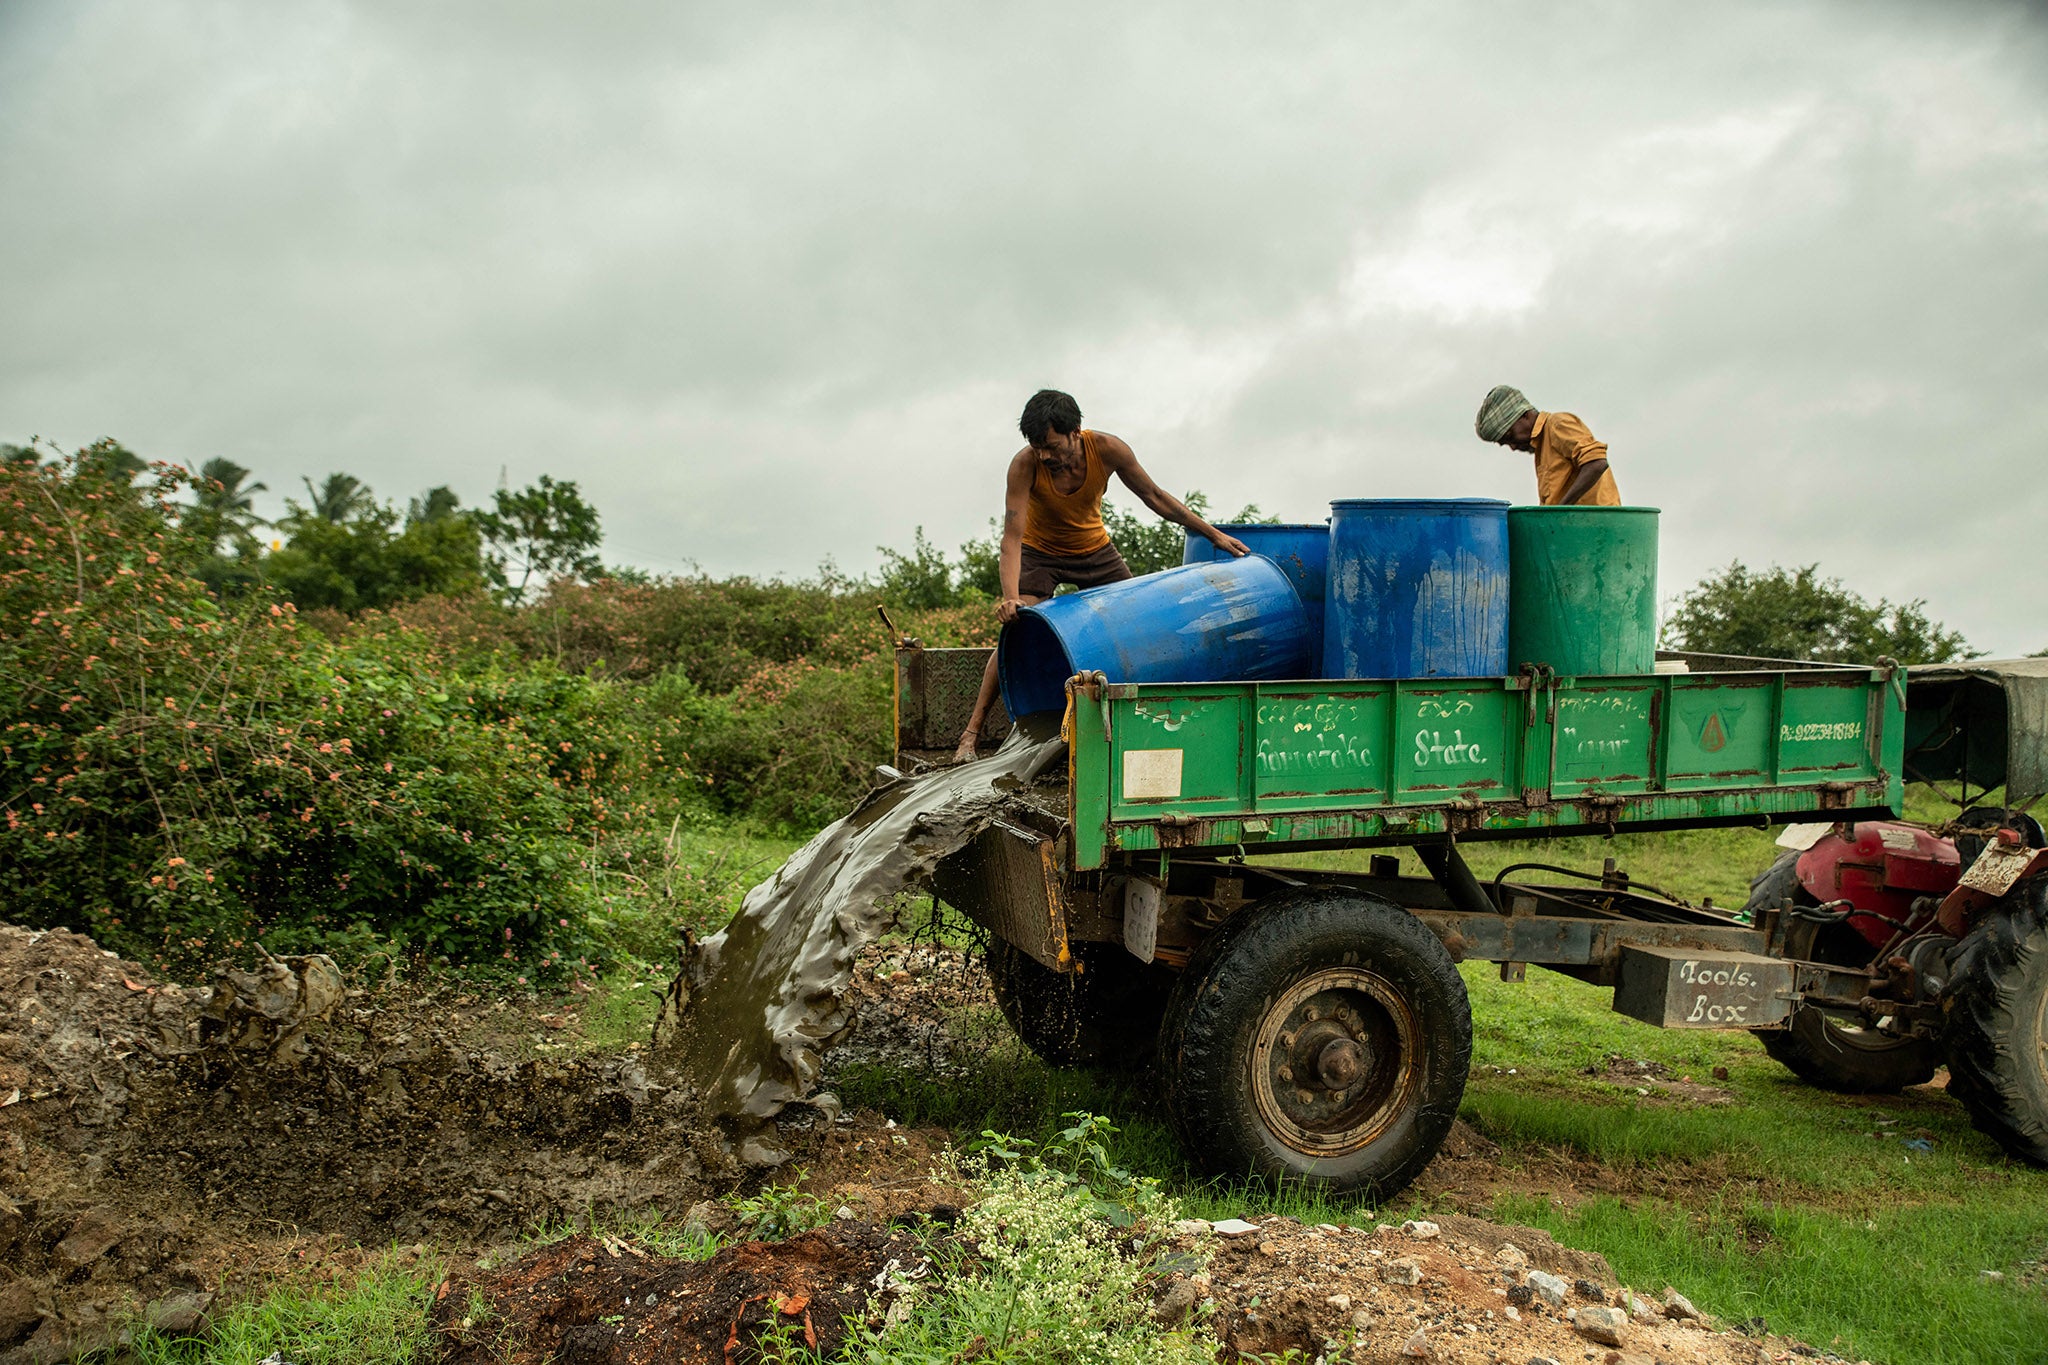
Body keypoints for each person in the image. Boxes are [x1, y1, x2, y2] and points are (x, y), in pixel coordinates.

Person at [952, 389, 1250, 762]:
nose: (1045, 455)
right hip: (1039, 555)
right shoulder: (1024, 466)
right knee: (1016, 631)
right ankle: (969, 736)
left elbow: (1155, 496)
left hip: (1094, 551)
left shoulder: (1108, 450)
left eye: (1051, 445)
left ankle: (1133, 727)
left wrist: (1213, 534)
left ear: (1076, 430)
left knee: (1133, 627)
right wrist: (1011, 597)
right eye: (1036, 446)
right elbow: (1012, 536)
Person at [1473, 385, 1621, 506]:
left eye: (1510, 437)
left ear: (1524, 415)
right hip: (1575, 529)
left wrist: (1559, 511)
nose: (1513, 447)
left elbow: (1596, 463)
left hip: (1597, 527)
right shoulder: (1542, 448)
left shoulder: (1557, 424)